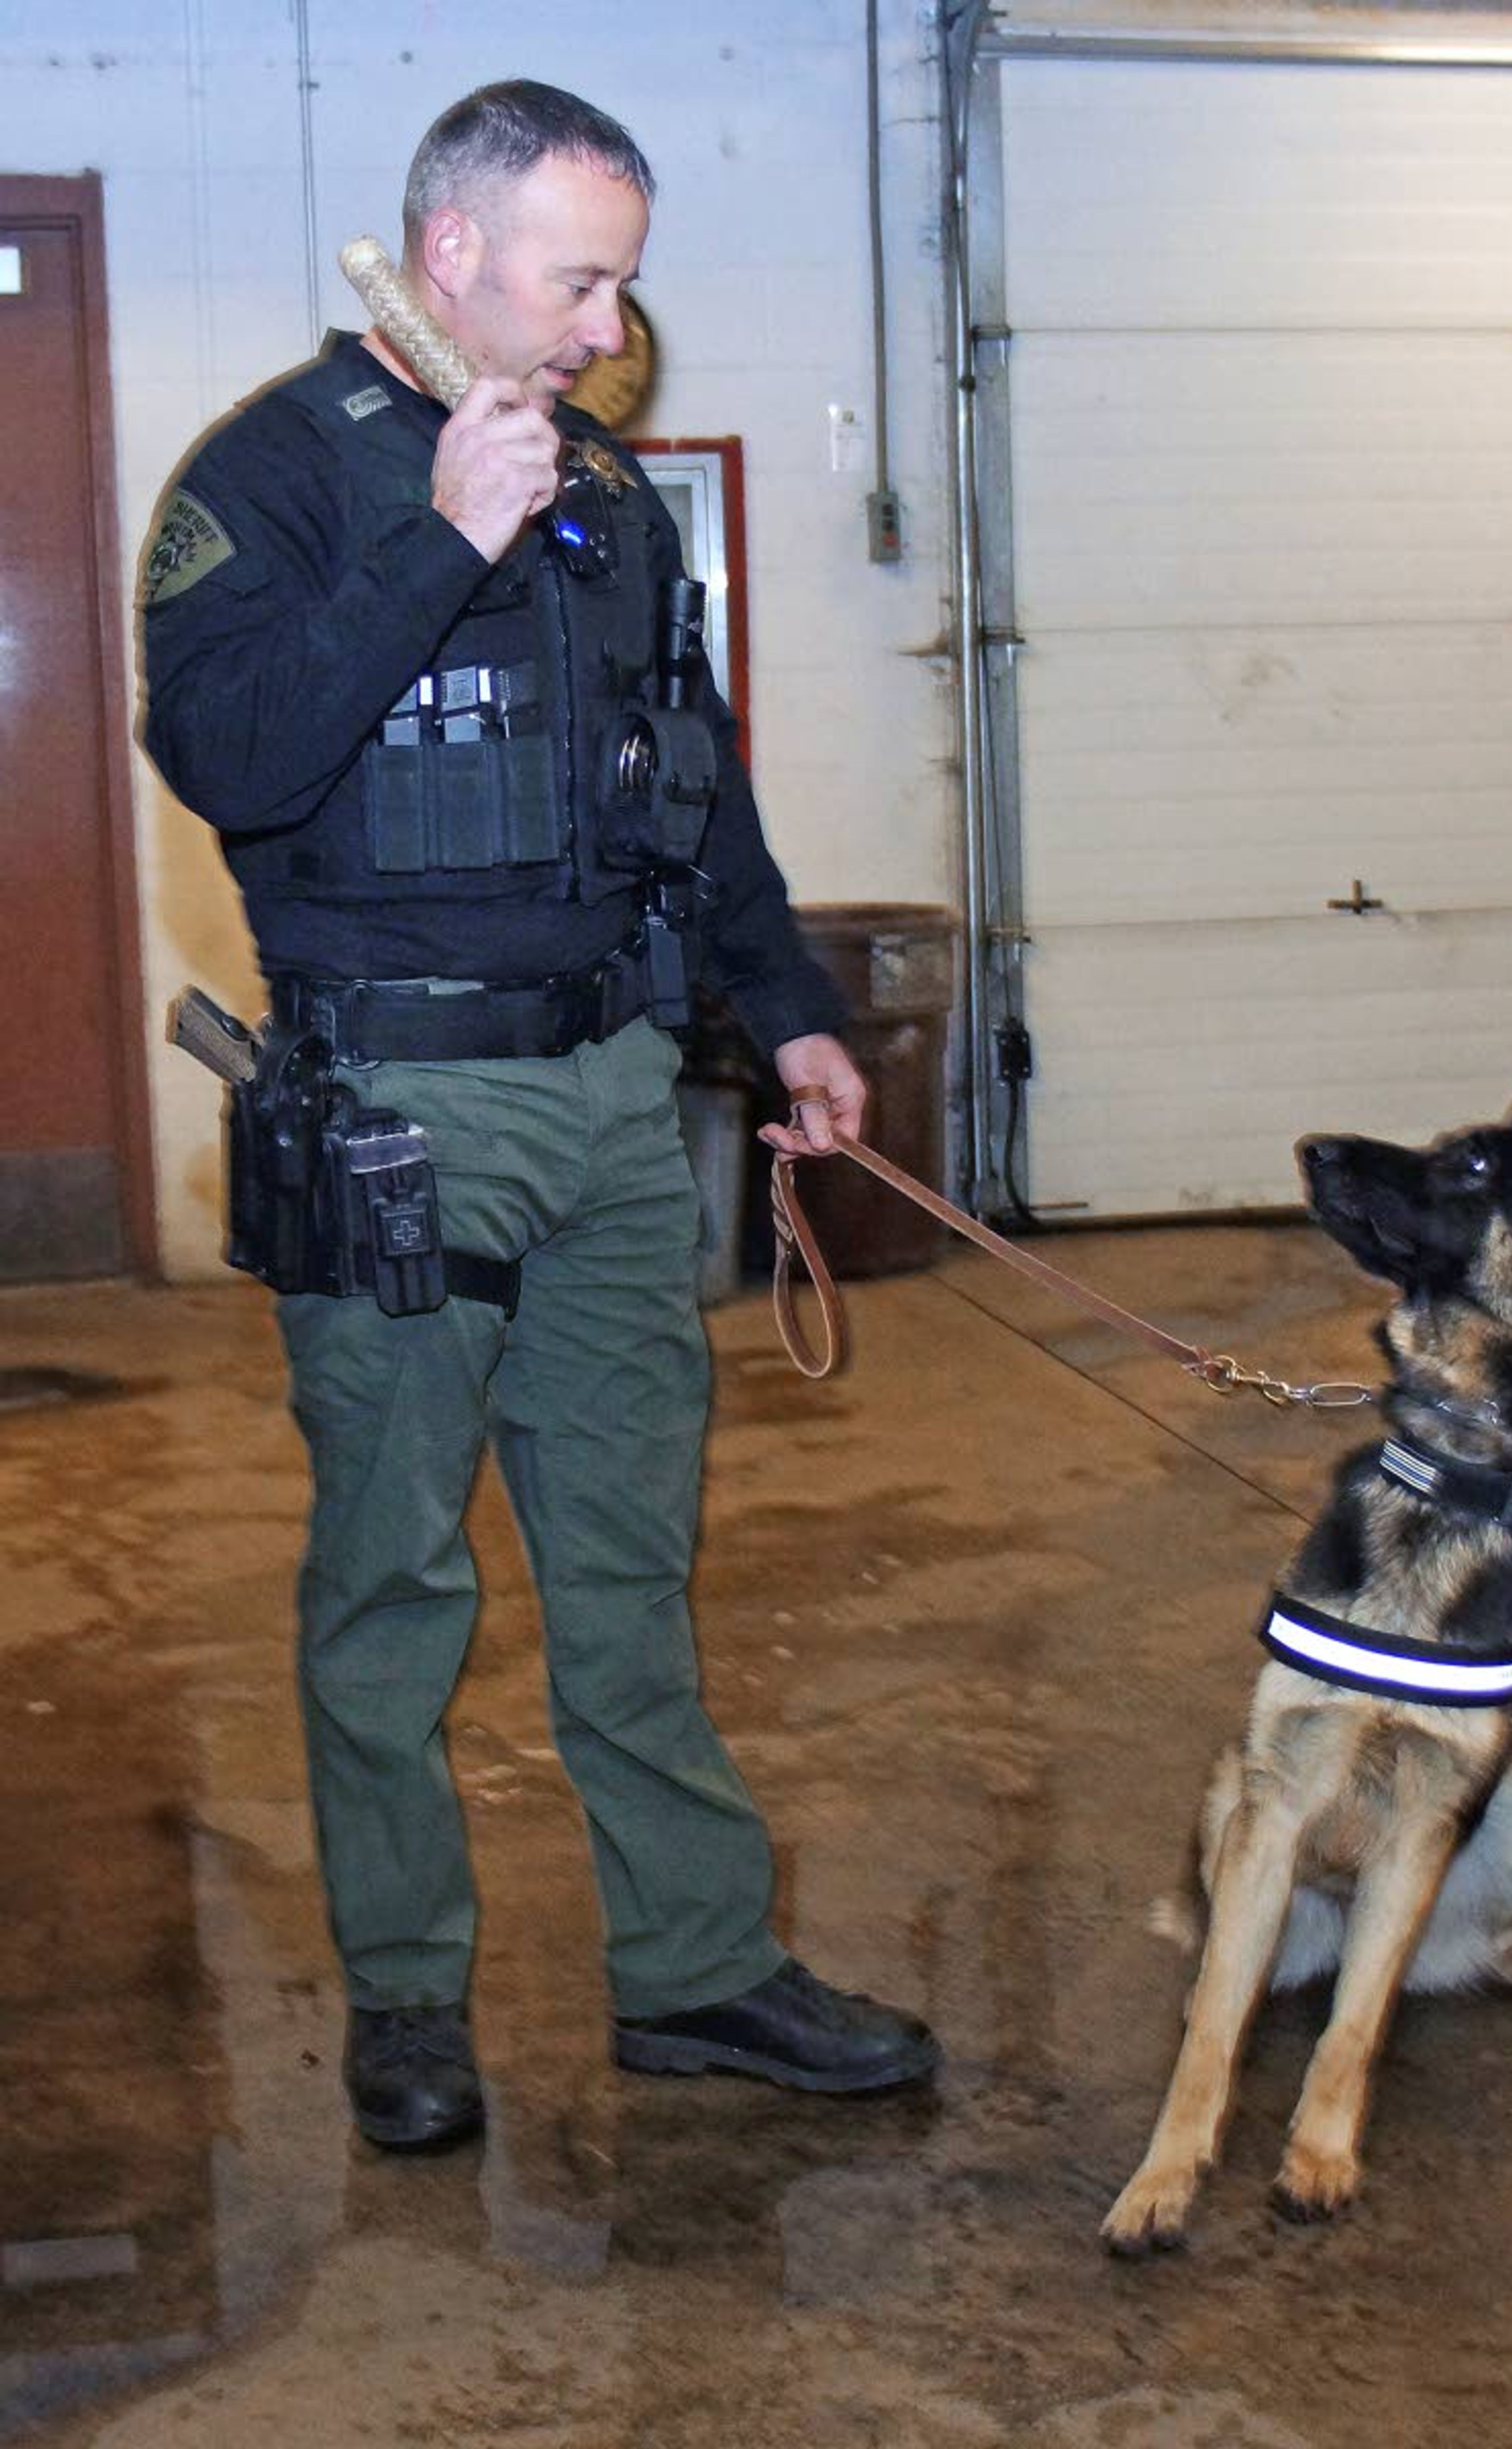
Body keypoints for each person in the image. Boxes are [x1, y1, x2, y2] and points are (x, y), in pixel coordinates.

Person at [140, 78, 938, 2150]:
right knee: (394, 1575)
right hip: (397, 1101)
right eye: (582, 277)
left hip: (606, 1096)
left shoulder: (607, 481)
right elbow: (231, 754)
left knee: (626, 1552)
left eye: (622, 284)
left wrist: (786, 1013)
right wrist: (440, 541)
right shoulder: (272, 476)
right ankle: (409, 1996)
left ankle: (694, 1966)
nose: (605, 324)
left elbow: (697, 775)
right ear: (459, 252)